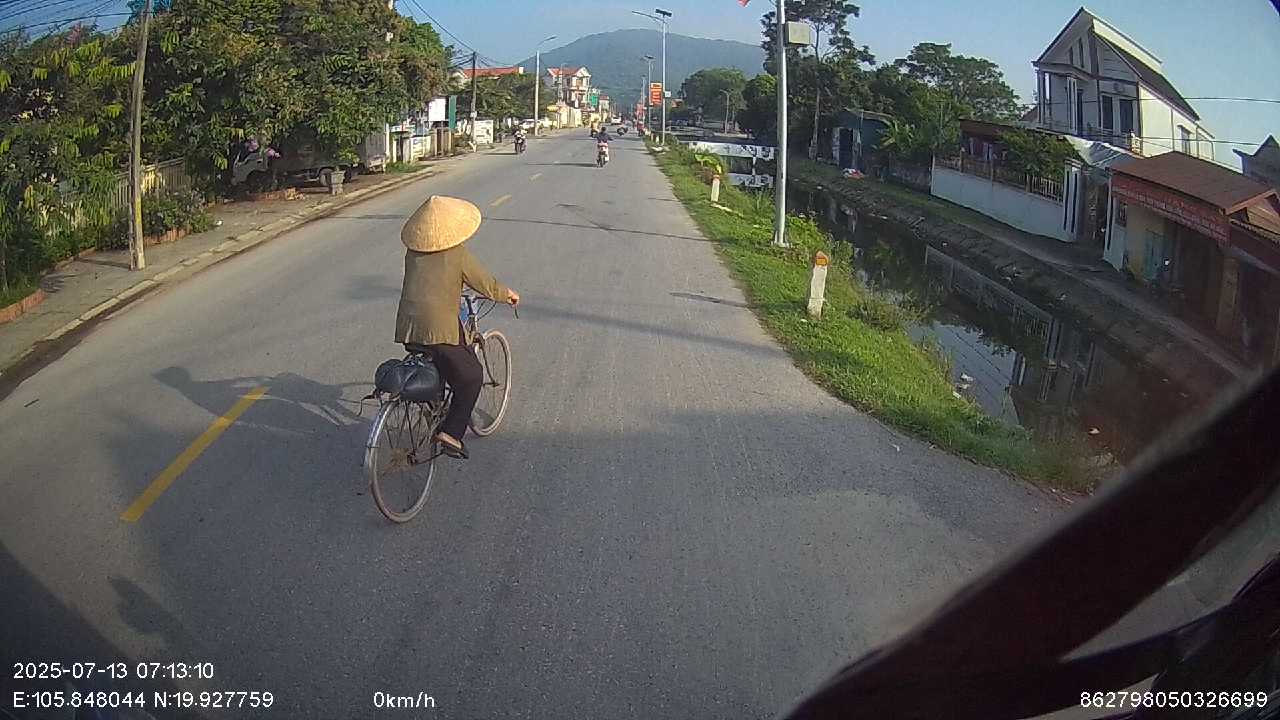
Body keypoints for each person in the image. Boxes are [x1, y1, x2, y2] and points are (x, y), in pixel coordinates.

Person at [394, 195, 520, 459]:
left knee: (443, 361)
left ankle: (434, 409)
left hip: (408, 328)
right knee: (471, 376)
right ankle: (451, 433)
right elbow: (483, 282)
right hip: (437, 329)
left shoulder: (413, 253)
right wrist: (506, 294)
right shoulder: (456, 253)